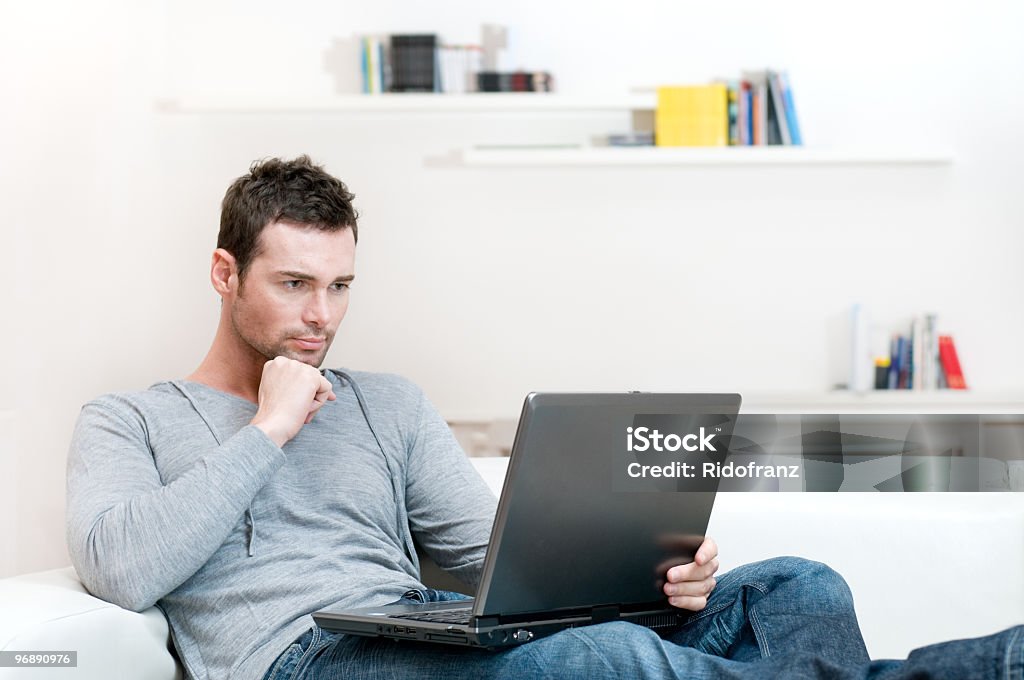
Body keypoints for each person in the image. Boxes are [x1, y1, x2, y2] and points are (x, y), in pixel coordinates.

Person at [66, 156, 1022, 680]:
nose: (322, 317)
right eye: (294, 285)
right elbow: (121, 565)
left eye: (341, 286)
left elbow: (497, 563)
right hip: (309, 659)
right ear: (225, 273)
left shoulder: (384, 402)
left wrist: (642, 573)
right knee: (605, 661)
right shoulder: (129, 420)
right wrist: (267, 429)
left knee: (797, 590)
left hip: (428, 630)